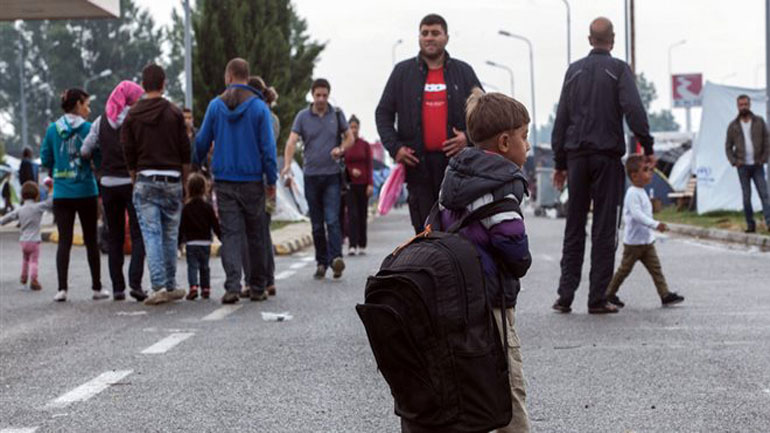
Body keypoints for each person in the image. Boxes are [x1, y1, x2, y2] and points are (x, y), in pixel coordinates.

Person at [437, 89, 532, 433]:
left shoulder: (454, 178)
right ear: (505, 142)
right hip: (492, 300)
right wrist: (522, 261)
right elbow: (511, 243)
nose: (528, 146)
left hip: (456, 298)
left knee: (468, 382)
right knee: (508, 383)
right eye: (524, 137)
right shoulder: (502, 185)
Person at [550, 17, 654, 315]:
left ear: (589, 39)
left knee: (574, 226)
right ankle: (597, 298)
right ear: (613, 39)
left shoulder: (573, 71)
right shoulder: (618, 69)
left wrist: (560, 163)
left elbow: (562, 118)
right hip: (607, 157)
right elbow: (634, 110)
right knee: (604, 227)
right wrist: (647, 146)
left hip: (576, 158)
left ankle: (565, 296)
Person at [375, 13, 483, 234]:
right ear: (419, 37)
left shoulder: (463, 72)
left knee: (457, 230)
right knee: (425, 232)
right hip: (418, 167)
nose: (429, 38)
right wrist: (395, 148)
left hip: (457, 168)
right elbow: (383, 114)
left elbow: (484, 112)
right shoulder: (402, 73)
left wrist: (467, 137)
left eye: (435, 33)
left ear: (446, 37)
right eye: (424, 33)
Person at [195, 58, 277, 304]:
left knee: (231, 234)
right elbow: (268, 149)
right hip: (252, 181)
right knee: (256, 233)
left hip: (224, 181)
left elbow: (201, 141)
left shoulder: (215, 106)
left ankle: (232, 286)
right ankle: (257, 287)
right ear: (246, 76)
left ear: (229, 76)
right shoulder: (259, 108)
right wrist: (271, 180)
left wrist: (196, 163)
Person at [122, 64, 191, 306]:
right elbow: (185, 151)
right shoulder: (174, 113)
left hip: (145, 179)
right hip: (172, 179)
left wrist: (134, 178)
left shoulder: (132, 115)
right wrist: (184, 181)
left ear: (143, 85)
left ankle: (158, 286)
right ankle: (170, 285)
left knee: (151, 234)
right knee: (170, 235)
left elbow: (128, 151)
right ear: (164, 84)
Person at [81, 80, 147, 302]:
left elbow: (85, 150)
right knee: (138, 234)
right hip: (132, 183)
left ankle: (118, 288)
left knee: (115, 236)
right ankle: (136, 283)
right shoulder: (136, 119)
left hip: (108, 184)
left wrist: (99, 159)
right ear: (132, 99)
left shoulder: (100, 122)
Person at [281, 78, 353, 279]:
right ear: (312, 95)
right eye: (318, 95)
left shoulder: (336, 114)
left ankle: (336, 259)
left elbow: (350, 137)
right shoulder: (302, 117)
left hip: (332, 176)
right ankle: (321, 262)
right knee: (317, 224)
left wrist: (341, 149)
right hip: (311, 176)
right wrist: (287, 165)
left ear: (329, 95)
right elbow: (291, 142)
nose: (321, 99)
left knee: (332, 220)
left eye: (324, 95)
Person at [41, 87, 108, 302]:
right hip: (86, 191)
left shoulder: (53, 130)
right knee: (91, 241)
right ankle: (97, 288)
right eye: (87, 105)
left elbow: (45, 159)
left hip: (61, 193)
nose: (89, 109)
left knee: (64, 241)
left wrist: (59, 166)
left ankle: (62, 289)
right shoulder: (89, 128)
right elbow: (98, 157)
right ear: (78, 104)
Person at [605, 155, 686, 309]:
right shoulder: (632, 193)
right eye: (646, 170)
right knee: (624, 270)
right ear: (635, 175)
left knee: (656, 269)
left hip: (647, 242)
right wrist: (655, 224)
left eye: (650, 170)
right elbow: (637, 215)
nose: (650, 173)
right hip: (633, 244)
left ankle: (665, 295)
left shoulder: (642, 191)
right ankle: (609, 293)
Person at [725, 94, 770, 233]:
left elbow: (767, 141)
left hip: (757, 165)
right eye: (741, 105)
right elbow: (728, 147)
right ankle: (751, 225)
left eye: (745, 104)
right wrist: (734, 161)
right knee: (746, 197)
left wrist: (764, 158)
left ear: (749, 105)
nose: (743, 107)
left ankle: (769, 222)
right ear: (737, 106)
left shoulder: (759, 121)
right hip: (742, 166)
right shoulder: (733, 126)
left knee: (764, 194)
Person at [0, 181, 53, 291]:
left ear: (22, 195)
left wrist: (1, 222)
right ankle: (34, 279)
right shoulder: (38, 207)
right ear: (36, 195)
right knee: (34, 261)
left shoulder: (20, 209)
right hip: (34, 241)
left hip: (23, 241)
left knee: (25, 260)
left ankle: (23, 277)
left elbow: (9, 217)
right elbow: (50, 203)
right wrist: (51, 190)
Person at [180, 173, 221, 301]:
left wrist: (179, 242)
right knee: (205, 266)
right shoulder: (208, 207)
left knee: (192, 266)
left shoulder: (186, 208)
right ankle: (206, 288)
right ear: (204, 189)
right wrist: (221, 236)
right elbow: (214, 223)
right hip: (205, 242)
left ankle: (193, 287)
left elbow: (182, 226)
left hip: (191, 242)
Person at [344, 115, 374, 256]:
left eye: (355, 127)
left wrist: (370, 184)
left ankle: (362, 243)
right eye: (351, 127)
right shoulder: (345, 145)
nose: (353, 130)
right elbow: (342, 164)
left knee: (362, 214)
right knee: (352, 215)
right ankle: (352, 244)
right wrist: (351, 171)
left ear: (359, 128)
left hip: (363, 184)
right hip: (350, 185)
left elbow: (369, 165)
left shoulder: (365, 145)